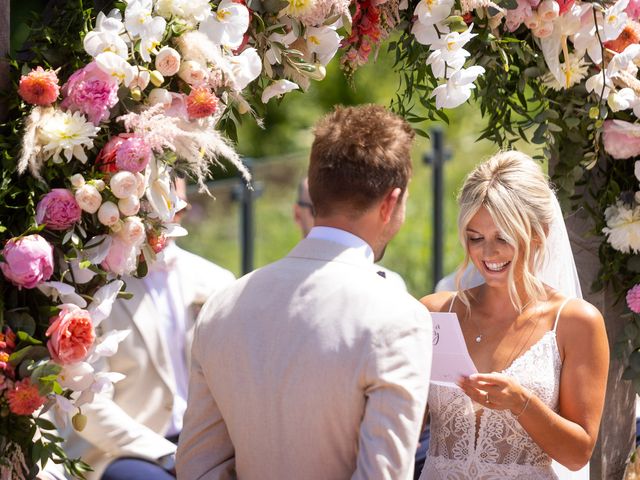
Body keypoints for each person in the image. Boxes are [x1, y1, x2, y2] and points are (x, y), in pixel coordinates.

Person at [176, 105, 433, 480]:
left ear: (312, 190)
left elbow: (198, 467)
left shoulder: (224, 305)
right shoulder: (399, 318)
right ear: (391, 202)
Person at [418, 151, 609, 479]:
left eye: (503, 237)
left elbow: (579, 454)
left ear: (539, 233)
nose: (487, 253)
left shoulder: (576, 322)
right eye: (475, 238)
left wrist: (522, 402)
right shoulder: (436, 312)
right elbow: (404, 419)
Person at [60, 179, 236, 480]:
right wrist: (168, 456)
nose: (169, 215)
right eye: (156, 203)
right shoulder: (89, 288)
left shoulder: (217, 281)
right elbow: (89, 406)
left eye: (176, 205)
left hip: (206, 444)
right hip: (119, 451)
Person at [293, 176, 407, 291]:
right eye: (317, 208)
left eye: (338, 207)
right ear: (297, 214)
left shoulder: (390, 285)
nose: (332, 217)